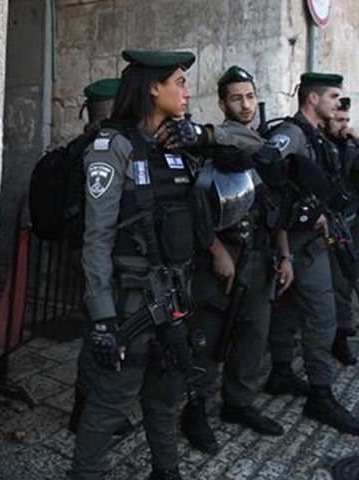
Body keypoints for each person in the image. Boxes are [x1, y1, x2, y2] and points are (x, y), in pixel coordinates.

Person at [71, 49, 209, 480]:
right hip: (129, 304)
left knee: (165, 399)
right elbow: (96, 239)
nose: (187, 92)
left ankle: (166, 471)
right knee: (109, 405)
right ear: (153, 88)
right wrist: (102, 318)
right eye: (180, 82)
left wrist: (204, 137)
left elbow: (253, 147)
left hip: (174, 301)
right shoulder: (112, 148)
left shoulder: (176, 145)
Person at [179, 66, 287, 454]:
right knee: (209, 338)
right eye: (236, 97)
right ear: (223, 103)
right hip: (222, 260)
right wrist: (216, 250)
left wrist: (286, 255)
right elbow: (195, 208)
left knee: (253, 335)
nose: (245, 104)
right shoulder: (216, 145)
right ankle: (196, 410)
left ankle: (239, 404)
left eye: (249, 96)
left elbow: (276, 207)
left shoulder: (266, 148)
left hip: (261, 257)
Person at [264, 72, 359, 435]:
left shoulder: (318, 138)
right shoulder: (293, 134)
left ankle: (282, 371)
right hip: (299, 242)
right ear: (312, 99)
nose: (339, 103)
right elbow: (267, 173)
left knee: (288, 311)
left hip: (309, 239)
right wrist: (297, 213)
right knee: (323, 316)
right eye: (334, 96)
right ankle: (321, 394)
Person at [68, 77, 120, 434]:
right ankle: (85, 411)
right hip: (96, 255)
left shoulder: (81, 145)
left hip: (84, 251)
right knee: (96, 333)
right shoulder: (98, 150)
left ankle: (87, 407)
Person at [325, 96, 359, 366]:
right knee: (335, 285)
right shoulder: (323, 147)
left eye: (346, 120)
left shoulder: (349, 149)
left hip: (348, 224)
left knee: (345, 281)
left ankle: (342, 333)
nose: (343, 125)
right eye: (338, 120)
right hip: (324, 226)